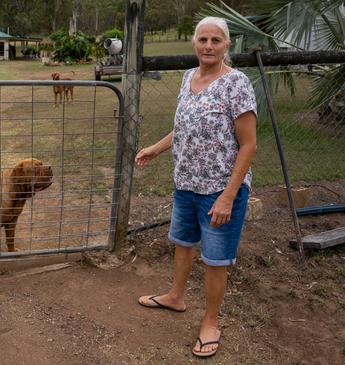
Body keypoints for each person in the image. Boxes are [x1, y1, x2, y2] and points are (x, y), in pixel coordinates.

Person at [135, 16, 257, 358]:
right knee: (183, 243)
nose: (208, 46)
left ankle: (211, 322)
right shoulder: (189, 77)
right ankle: (175, 297)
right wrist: (157, 148)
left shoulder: (237, 83)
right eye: (203, 39)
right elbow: (184, 127)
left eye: (215, 40)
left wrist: (228, 196)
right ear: (194, 43)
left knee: (216, 259)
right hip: (185, 183)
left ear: (227, 45)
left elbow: (248, 144)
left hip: (220, 190)